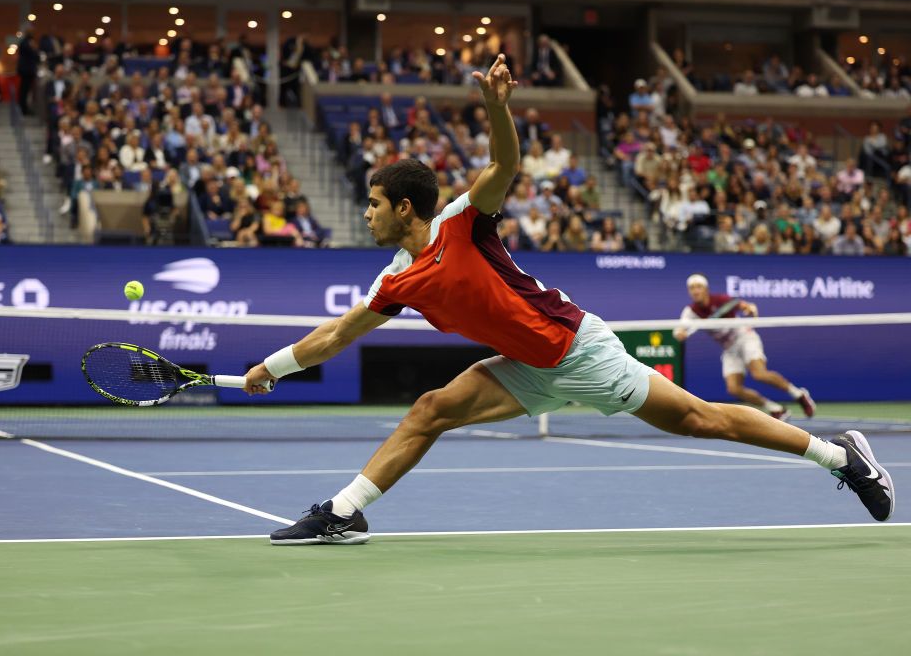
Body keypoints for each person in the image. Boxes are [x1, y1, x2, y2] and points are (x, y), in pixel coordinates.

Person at [243, 55, 894, 545]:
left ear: (404, 207)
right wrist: (269, 369)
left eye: (375, 204)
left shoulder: (463, 223)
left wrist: (497, 107)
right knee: (431, 409)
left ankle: (841, 455)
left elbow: (502, 168)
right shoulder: (395, 280)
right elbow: (333, 335)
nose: (367, 213)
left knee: (702, 418)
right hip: (525, 366)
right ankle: (345, 511)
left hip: (576, 348)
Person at [673, 273, 816, 421]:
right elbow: (678, 331)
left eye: (698, 287)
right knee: (734, 388)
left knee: (759, 374)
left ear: (706, 289)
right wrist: (680, 334)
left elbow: (744, 306)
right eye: (692, 288)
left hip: (744, 337)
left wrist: (749, 309)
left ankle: (799, 395)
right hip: (729, 348)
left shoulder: (721, 300)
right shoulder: (691, 312)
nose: (695, 291)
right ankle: (776, 408)